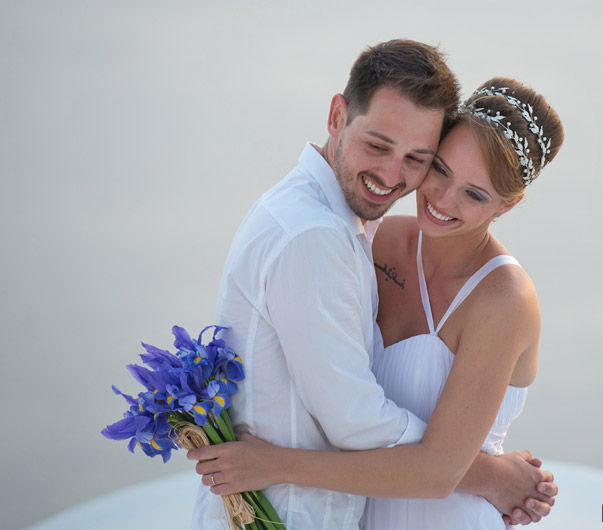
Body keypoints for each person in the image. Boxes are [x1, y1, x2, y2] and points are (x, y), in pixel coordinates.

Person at [190, 39, 556, 530]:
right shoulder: (370, 239)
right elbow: (354, 415)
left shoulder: (504, 299)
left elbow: (433, 471)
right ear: (336, 116)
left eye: (473, 193)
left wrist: (273, 462)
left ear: (506, 206)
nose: (441, 199)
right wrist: (489, 474)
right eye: (440, 170)